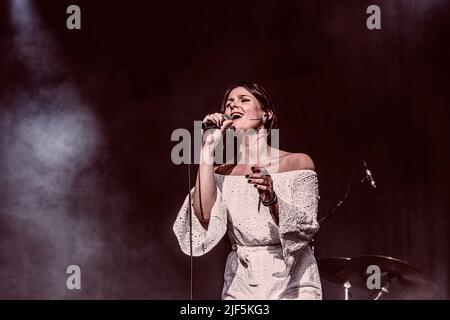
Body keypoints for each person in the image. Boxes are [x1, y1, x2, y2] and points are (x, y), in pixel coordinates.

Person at [173, 81, 321, 299]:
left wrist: (272, 200)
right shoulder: (221, 172)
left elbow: (306, 226)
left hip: (294, 280)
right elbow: (204, 215)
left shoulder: (297, 163)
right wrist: (208, 150)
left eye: (243, 100)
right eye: (229, 103)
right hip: (242, 281)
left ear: (266, 114)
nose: (233, 106)